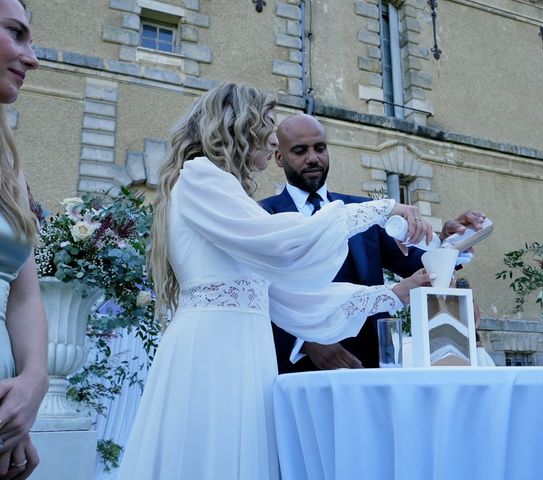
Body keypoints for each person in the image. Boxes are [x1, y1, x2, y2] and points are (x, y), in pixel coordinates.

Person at [116, 83, 432, 480]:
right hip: (213, 348)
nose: (271, 135)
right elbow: (288, 244)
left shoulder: (230, 194)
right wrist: (384, 207)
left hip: (246, 348)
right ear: (239, 126)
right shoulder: (199, 177)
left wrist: (391, 294)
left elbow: (288, 295)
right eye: (266, 124)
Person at [261, 113, 485, 372]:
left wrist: (449, 241)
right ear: (279, 157)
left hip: (368, 365)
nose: (313, 158)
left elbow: (415, 265)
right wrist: (306, 342)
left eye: (320, 148)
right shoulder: (263, 215)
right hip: (296, 370)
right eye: (300, 151)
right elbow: (260, 295)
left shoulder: (365, 210)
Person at [0, 1, 47, 479]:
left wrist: (32, 383)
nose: (32, 57)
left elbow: (23, 290)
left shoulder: (8, 165)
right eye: (16, 33)